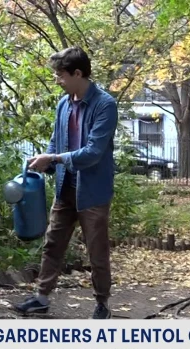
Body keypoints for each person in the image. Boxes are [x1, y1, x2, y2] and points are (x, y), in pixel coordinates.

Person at [14, 46, 119, 320]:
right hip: (65, 188)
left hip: (93, 192)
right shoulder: (63, 104)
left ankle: (102, 304)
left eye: (60, 75)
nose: (57, 81)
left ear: (77, 73)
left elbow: (94, 152)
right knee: (53, 244)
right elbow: (56, 140)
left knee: (96, 251)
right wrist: (45, 160)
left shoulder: (105, 104)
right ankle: (41, 298)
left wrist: (56, 157)